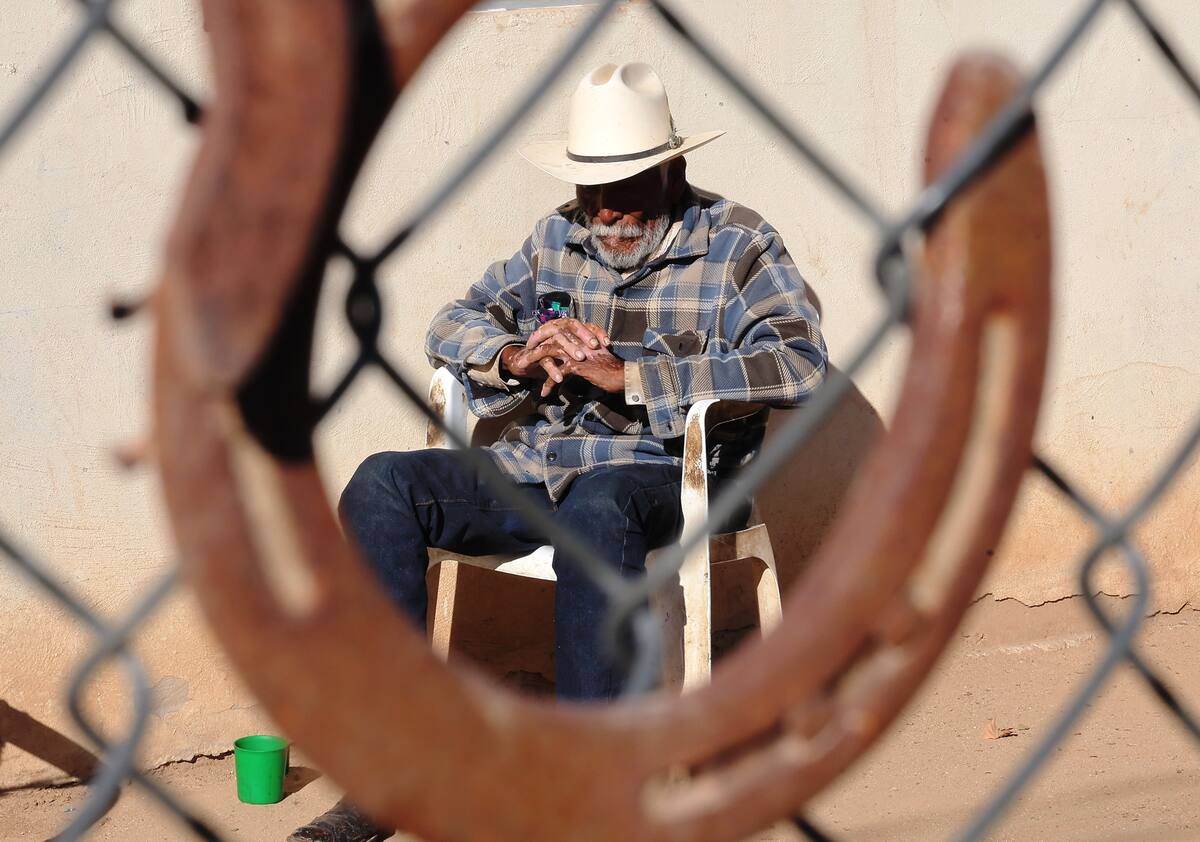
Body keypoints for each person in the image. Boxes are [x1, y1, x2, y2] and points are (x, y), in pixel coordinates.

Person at [288, 61, 827, 842]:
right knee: (381, 485)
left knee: (598, 507)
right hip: (540, 469)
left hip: (668, 477)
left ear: (672, 172)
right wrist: (514, 354)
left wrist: (633, 376)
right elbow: (451, 322)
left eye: (627, 189)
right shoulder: (556, 236)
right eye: (592, 189)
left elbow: (800, 364)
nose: (606, 212)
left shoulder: (738, 244)